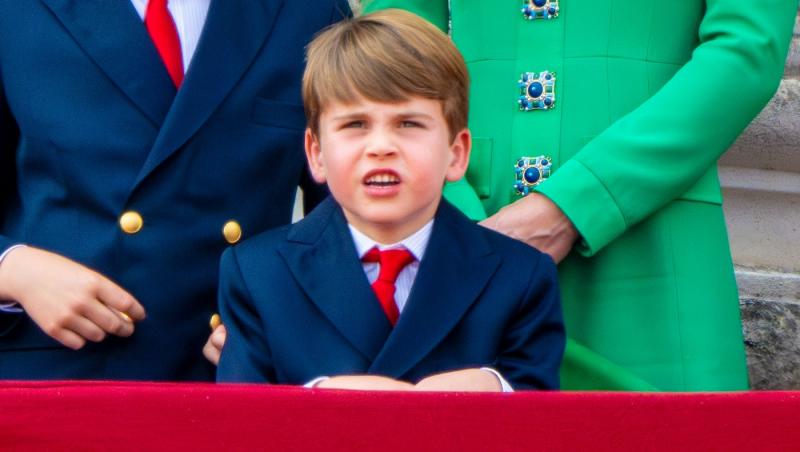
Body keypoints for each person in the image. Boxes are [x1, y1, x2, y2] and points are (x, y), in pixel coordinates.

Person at [362, 0, 798, 390]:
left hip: (649, 247)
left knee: (670, 434)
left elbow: (745, 52)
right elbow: (393, 50)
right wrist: (454, 210)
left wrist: (574, 205)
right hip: (465, 234)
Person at [0, 0, 350, 380]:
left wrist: (286, 320)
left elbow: (350, 226)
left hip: (236, 371)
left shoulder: (308, 10)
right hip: (61, 370)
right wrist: (14, 269)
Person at [216, 9, 565, 390]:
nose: (381, 147)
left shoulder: (521, 277)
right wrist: (318, 399)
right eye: (355, 124)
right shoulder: (258, 274)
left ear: (456, 153)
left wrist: (497, 389)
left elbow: (539, 402)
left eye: (408, 124)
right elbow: (242, 416)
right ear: (316, 154)